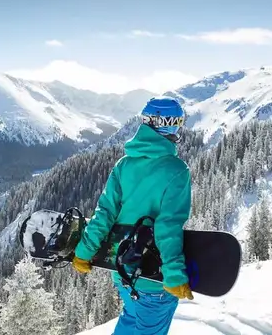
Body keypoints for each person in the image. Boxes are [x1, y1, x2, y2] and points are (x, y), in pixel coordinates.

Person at [72, 96, 193, 335]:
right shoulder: (176, 170)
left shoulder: (123, 165)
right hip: (153, 277)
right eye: (176, 122)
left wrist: (84, 252)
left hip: (122, 271)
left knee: (130, 322)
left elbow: (104, 214)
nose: (178, 128)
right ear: (166, 124)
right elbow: (167, 226)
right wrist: (174, 274)